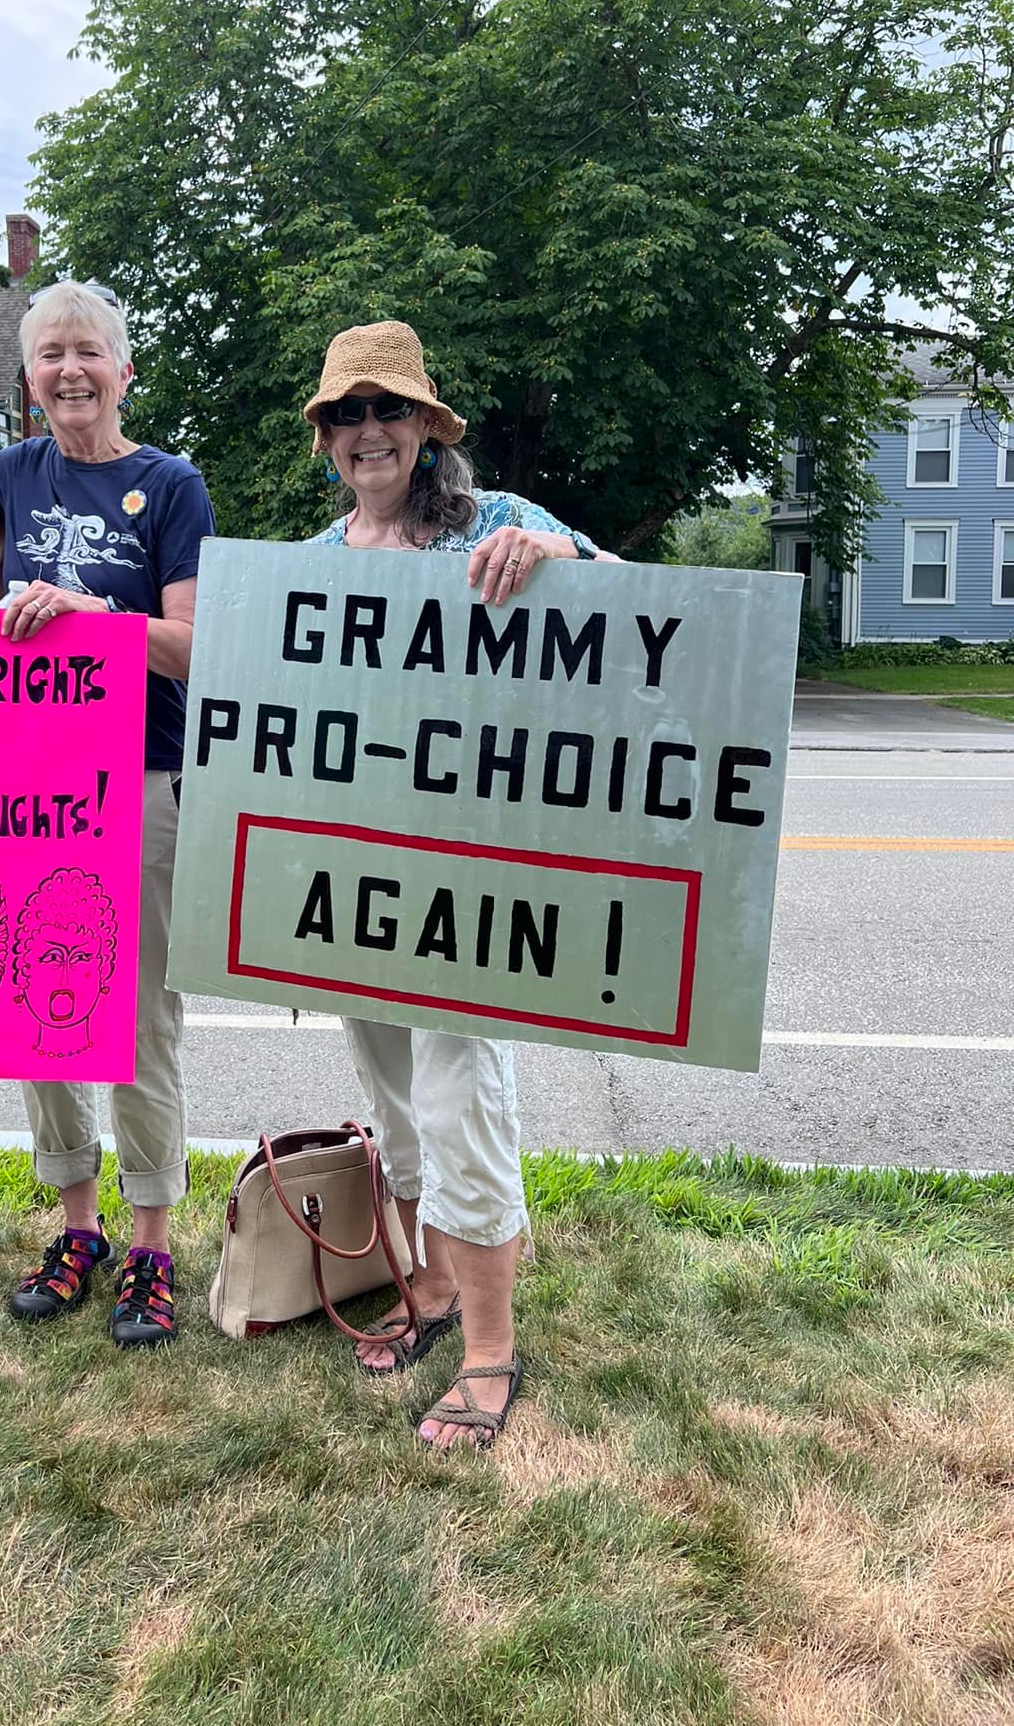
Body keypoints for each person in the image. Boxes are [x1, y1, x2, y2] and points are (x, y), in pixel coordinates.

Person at [301, 320, 619, 1450]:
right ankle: (429, 1288)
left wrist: (558, 557)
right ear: (326, 439)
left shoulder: (498, 524)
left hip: (472, 871)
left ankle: (490, 1348)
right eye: (347, 414)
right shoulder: (315, 561)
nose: (369, 431)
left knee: (461, 1090)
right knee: (392, 1091)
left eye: (388, 409)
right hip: (357, 867)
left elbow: (639, 604)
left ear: (428, 428)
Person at [0, 281, 214, 1349]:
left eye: (88, 352)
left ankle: (151, 1241)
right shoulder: (6, 475)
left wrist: (94, 615)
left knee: (142, 1019)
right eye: (50, 354)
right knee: (43, 1007)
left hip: (144, 779)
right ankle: (79, 1228)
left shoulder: (172, 485)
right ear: (28, 379)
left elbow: (194, 648)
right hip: (28, 787)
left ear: (124, 370)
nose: (70, 370)